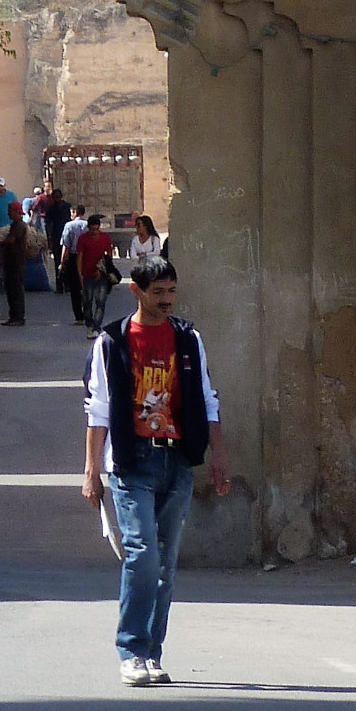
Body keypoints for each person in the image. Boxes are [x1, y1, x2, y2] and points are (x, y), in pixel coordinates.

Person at [83, 259, 232, 685]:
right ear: (137, 291)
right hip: (132, 462)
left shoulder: (188, 339)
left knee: (166, 561)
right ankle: (130, 649)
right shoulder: (112, 341)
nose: (166, 300)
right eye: (158, 292)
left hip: (177, 461)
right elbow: (98, 409)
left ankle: (152, 651)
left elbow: (207, 399)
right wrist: (92, 470)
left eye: (171, 291)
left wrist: (217, 455)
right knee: (143, 555)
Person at [76, 214, 120, 325]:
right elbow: (80, 257)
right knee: (87, 301)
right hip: (87, 274)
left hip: (102, 274)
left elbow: (108, 256)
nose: (95, 232)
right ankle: (89, 322)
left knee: (101, 301)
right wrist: (80, 274)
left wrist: (103, 269)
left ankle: (96, 325)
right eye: (92, 230)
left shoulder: (105, 238)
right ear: (88, 228)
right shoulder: (83, 239)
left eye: (97, 229)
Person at [0, 201, 31, 327]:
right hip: (12, 261)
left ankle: (18, 317)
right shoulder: (14, 225)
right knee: (11, 290)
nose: (8, 213)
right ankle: (13, 316)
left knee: (16, 290)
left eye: (10, 211)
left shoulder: (20, 226)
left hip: (16, 262)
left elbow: (11, 241)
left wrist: (1, 244)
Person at [58, 207, 90, 322]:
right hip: (86, 257)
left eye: (71, 212)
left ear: (75, 212)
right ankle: (88, 313)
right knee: (87, 285)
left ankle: (79, 316)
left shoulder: (69, 226)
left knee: (75, 288)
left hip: (73, 257)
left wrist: (62, 262)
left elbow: (66, 245)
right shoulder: (88, 225)